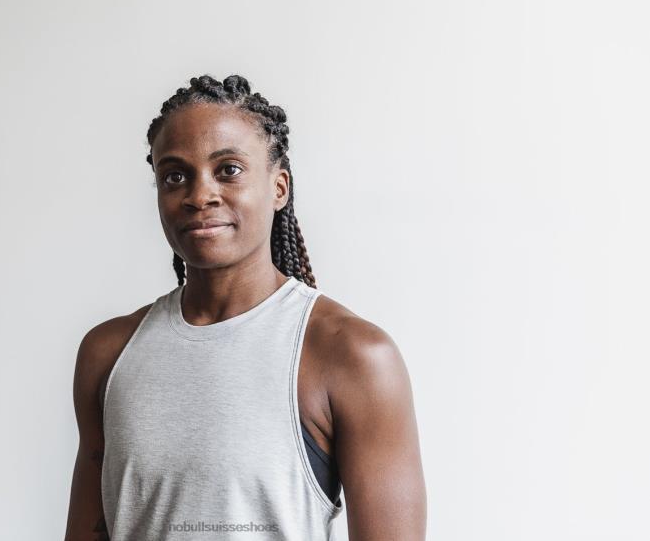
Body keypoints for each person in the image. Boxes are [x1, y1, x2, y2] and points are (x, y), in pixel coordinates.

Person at [64, 74, 427, 541]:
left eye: (228, 169)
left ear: (279, 187)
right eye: (175, 176)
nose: (200, 195)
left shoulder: (351, 355)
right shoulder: (109, 353)